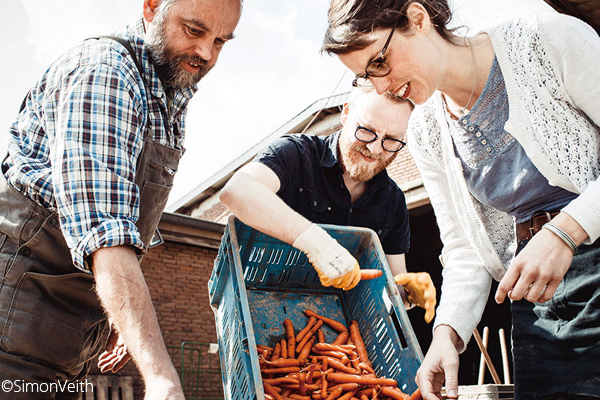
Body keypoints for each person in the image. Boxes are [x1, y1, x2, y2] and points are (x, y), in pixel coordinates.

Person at [323, 1, 600, 399]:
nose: (381, 86)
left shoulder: (545, 38)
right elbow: (464, 248)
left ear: (417, 19)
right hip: (534, 297)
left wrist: (564, 233)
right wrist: (447, 333)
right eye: (366, 76)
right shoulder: (425, 130)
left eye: (379, 62)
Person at [0, 0, 241, 398]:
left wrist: (121, 319)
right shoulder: (106, 73)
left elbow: (131, 222)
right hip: (12, 318)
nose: (206, 53)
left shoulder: (166, 90)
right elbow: (106, 231)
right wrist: (160, 376)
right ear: (151, 6)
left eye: (221, 41)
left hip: (70, 333)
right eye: (194, 30)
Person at [220, 85, 436, 322]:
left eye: (391, 140)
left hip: (338, 323)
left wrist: (409, 295)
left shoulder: (393, 201)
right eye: (366, 130)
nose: (375, 149)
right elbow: (237, 191)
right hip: (255, 306)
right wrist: (318, 245)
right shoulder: (296, 153)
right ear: (345, 114)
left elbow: (395, 288)